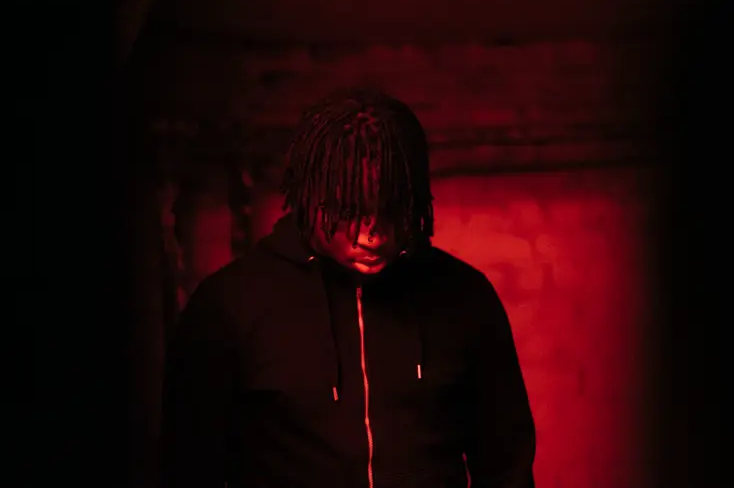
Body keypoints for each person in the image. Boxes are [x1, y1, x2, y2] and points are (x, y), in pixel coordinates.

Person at [160, 87, 536, 487]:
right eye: (351, 212)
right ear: (310, 196)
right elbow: (188, 469)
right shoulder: (229, 306)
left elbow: (506, 467)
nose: (373, 236)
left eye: (390, 210)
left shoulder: (464, 297)